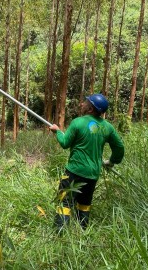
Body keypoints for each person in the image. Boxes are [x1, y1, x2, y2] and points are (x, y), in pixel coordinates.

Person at [49, 94, 124, 230]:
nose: (82, 104)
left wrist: (57, 132)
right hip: (93, 174)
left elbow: (65, 143)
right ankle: (82, 231)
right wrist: (112, 161)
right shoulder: (107, 127)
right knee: (84, 203)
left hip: (74, 171)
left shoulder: (78, 122)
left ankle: (59, 233)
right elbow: (119, 147)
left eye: (85, 103)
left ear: (90, 109)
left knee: (65, 202)